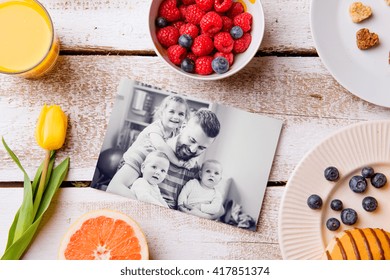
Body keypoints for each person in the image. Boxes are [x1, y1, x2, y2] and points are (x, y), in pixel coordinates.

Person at [107, 108, 222, 216]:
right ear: (183, 127)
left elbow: (220, 209)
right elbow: (114, 188)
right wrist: (160, 212)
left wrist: (205, 216)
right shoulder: (149, 152)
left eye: (201, 148)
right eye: (191, 140)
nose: (193, 149)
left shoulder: (194, 169)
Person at [124, 94, 190, 168]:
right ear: (162, 113)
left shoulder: (176, 132)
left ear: (185, 117)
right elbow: (160, 146)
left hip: (147, 165)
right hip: (130, 162)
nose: (176, 117)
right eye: (171, 111)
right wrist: (177, 162)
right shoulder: (156, 127)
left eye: (181, 114)